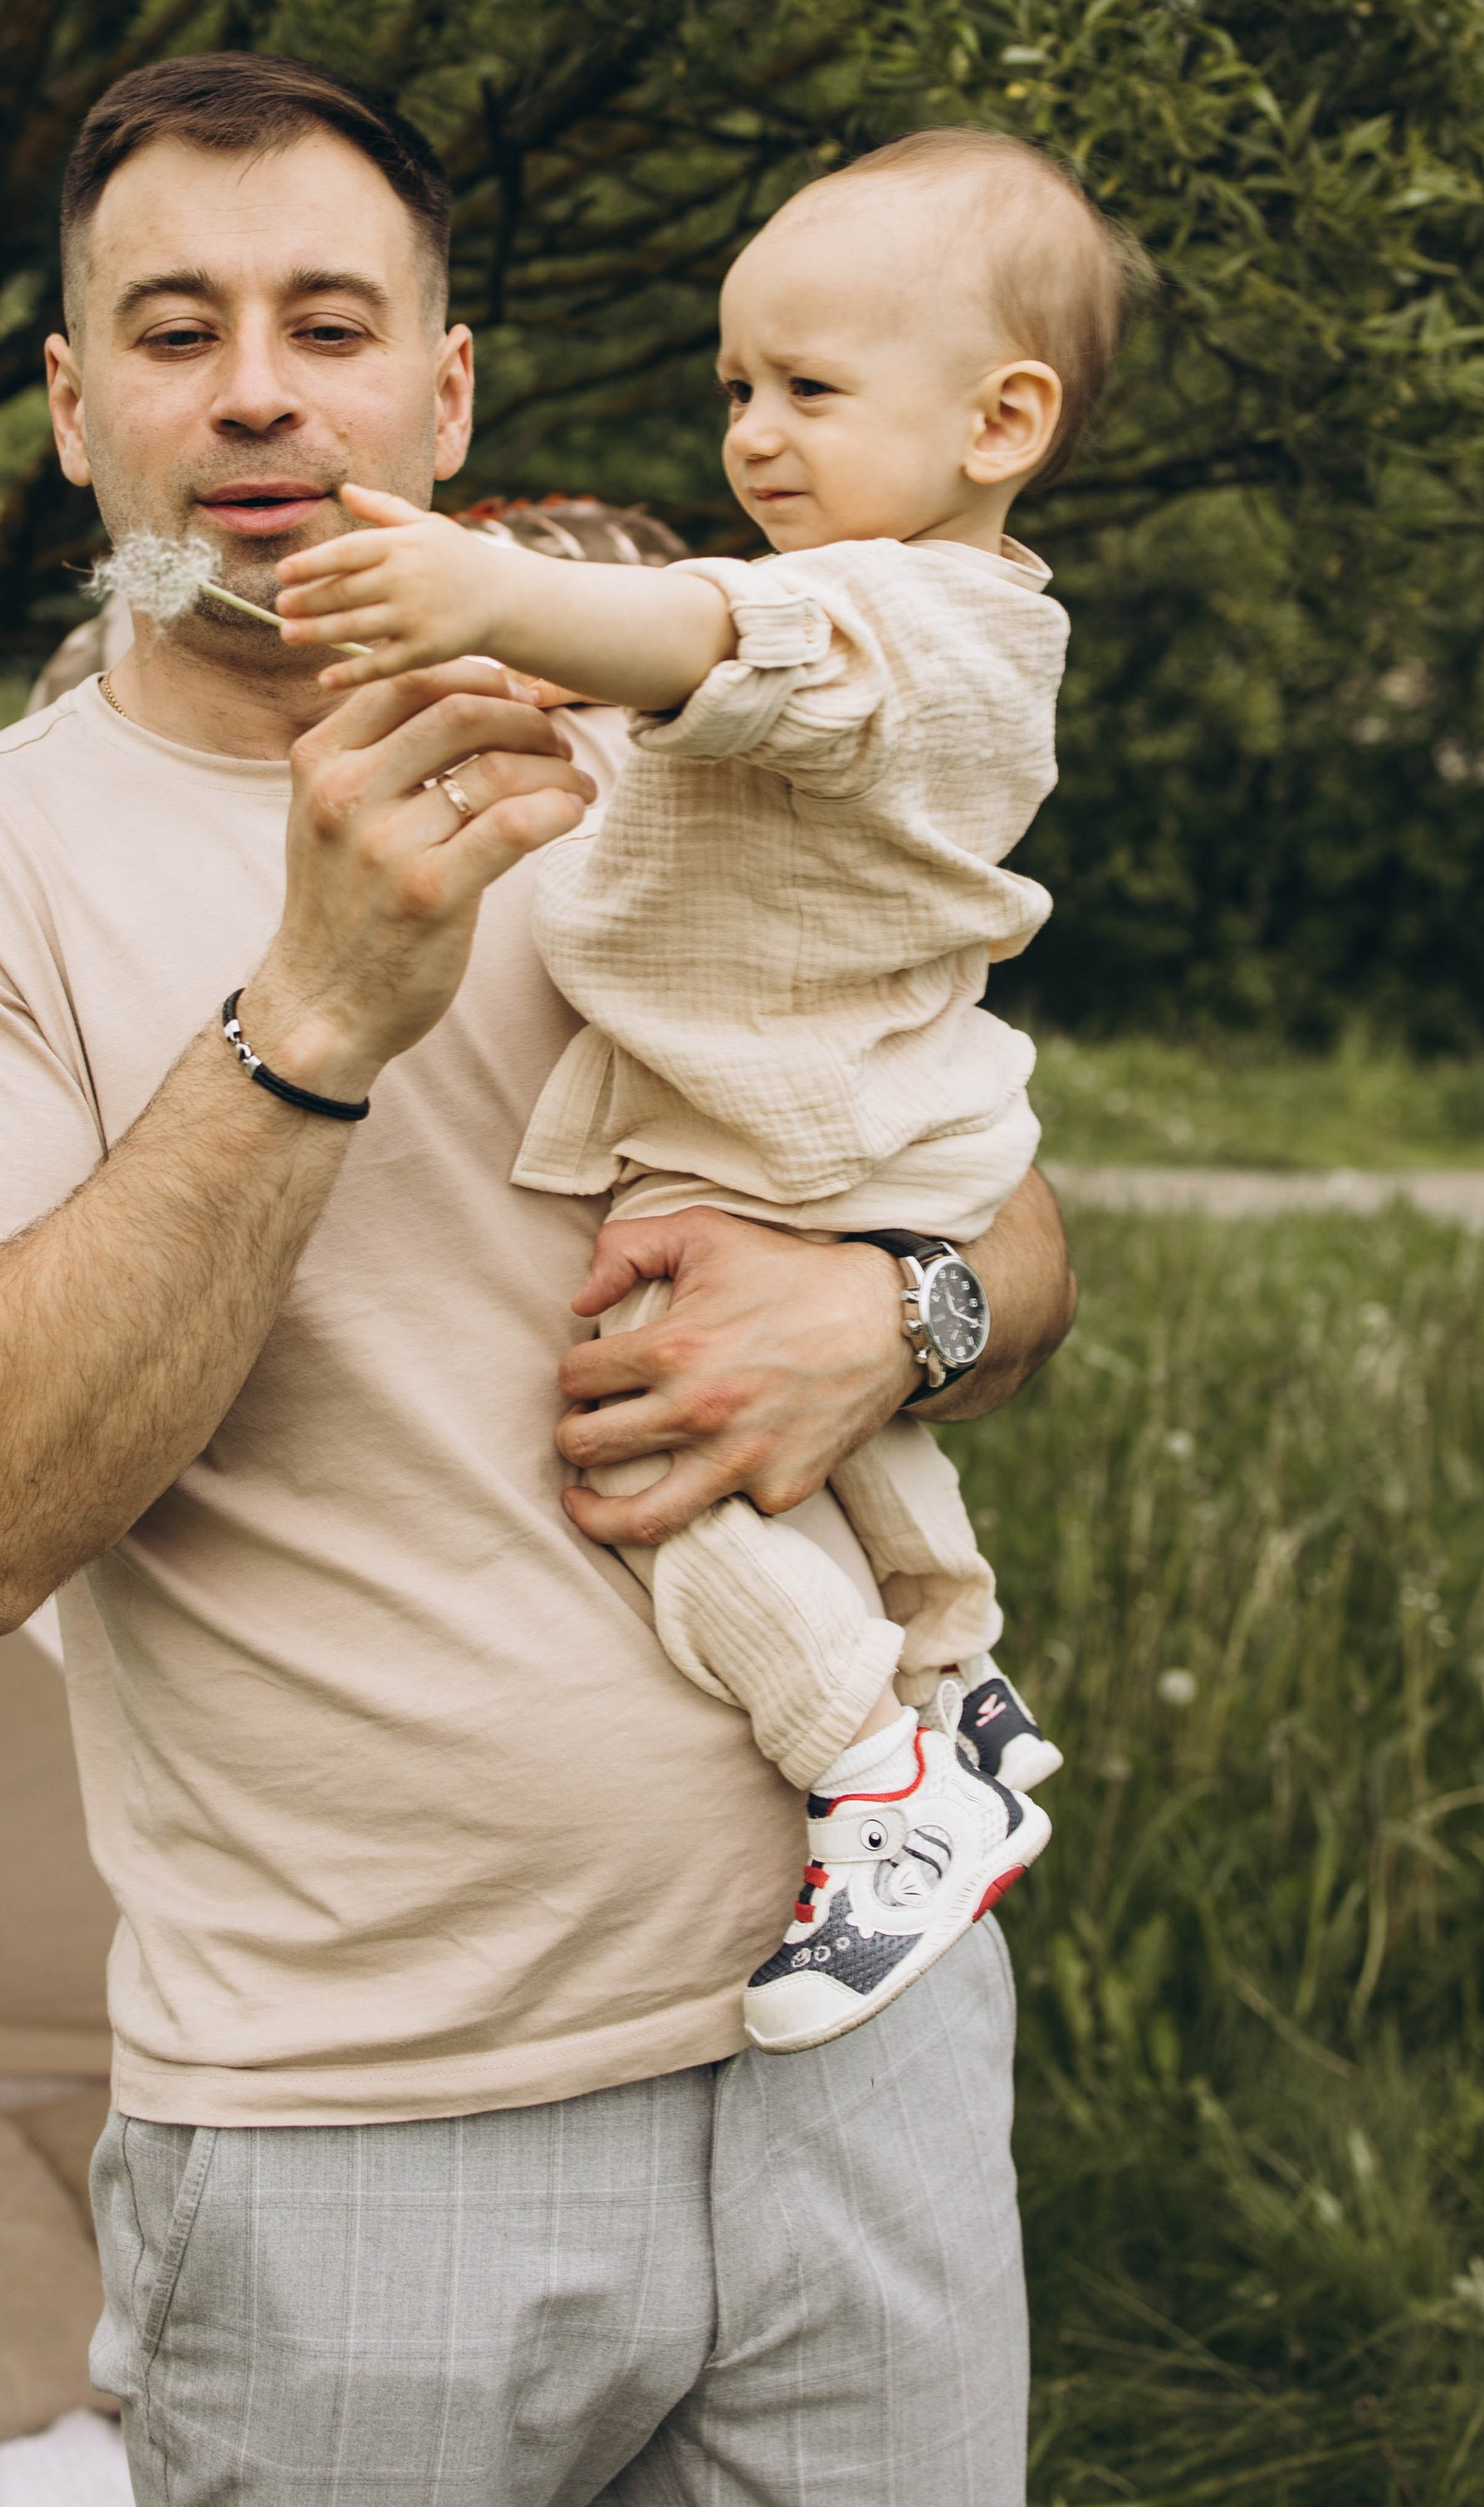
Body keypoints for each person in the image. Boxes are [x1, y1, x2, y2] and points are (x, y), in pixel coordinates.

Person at [0, 51, 1078, 2507]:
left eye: (329, 321)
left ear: (443, 388)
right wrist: (315, 1022)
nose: (258, 387)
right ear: (72, 413)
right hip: (358, 2132)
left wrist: (891, 1318)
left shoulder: (678, 739)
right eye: (172, 331)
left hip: (866, 2041)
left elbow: (1008, 1211)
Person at [274, 130, 1147, 2053]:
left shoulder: (904, 626)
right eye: (737, 385)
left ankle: (878, 1779)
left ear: (1002, 419)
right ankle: (953, 1671)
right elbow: (701, 713)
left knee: (652, 1468)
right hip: (850, 1109)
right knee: (810, 1419)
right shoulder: (902, 612)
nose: (753, 433)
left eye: (810, 390)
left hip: (787, 1124)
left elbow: (705, 637)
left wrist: (480, 589)